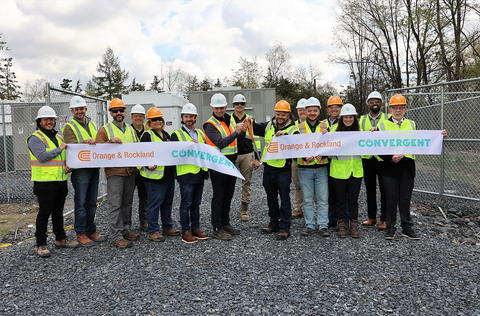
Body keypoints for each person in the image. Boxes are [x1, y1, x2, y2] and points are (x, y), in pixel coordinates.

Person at [377, 94, 447, 240]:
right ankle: (390, 228)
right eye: (395, 108)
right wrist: (390, 158)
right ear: (390, 110)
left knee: (405, 198)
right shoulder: (381, 125)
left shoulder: (412, 124)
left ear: (405, 109)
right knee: (390, 199)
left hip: (407, 166)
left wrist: (438, 136)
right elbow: (377, 148)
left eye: (401, 107)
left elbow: (423, 140)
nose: (398, 110)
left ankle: (406, 228)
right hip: (390, 167)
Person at [27, 106, 79, 257]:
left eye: (51, 119)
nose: (49, 122)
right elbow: (42, 157)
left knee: (58, 212)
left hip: (60, 181)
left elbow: (59, 158)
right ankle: (41, 244)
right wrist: (61, 148)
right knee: (44, 213)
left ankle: (61, 239)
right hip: (44, 183)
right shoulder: (35, 138)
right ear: (40, 122)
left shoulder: (57, 137)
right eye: (46, 119)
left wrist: (66, 167)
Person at [248, 100, 299, 240]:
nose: (280, 116)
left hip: (283, 169)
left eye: (283, 114)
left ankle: (284, 227)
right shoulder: (269, 125)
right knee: (271, 198)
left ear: (289, 115)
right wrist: (251, 121)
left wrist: (286, 138)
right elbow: (255, 129)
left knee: (284, 199)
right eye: (278, 113)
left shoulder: (294, 129)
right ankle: (273, 223)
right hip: (269, 169)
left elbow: (297, 144)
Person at [95, 98, 139, 248]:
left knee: (127, 203)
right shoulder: (104, 130)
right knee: (115, 205)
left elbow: (138, 150)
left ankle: (125, 230)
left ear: (125, 112)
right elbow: (97, 152)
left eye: (121, 110)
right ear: (111, 113)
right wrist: (109, 143)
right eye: (115, 111)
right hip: (115, 173)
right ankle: (115, 237)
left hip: (130, 171)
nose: (118, 113)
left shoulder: (131, 129)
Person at [63, 96, 105, 247]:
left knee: (92, 201)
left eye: (82, 109)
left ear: (86, 109)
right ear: (72, 110)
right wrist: (84, 143)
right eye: (77, 109)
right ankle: (81, 232)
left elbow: (98, 143)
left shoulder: (92, 124)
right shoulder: (69, 126)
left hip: (93, 167)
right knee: (81, 202)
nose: (80, 111)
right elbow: (70, 146)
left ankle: (91, 230)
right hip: (81, 170)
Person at [203, 93, 246, 240]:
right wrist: (237, 132)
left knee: (228, 195)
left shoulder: (230, 119)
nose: (219, 110)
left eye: (221, 108)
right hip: (218, 165)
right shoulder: (210, 124)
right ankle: (217, 227)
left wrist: (242, 132)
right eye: (216, 108)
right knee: (219, 196)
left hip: (230, 164)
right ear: (212, 108)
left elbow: (236, 140)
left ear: (226, 107)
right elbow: (220, 143)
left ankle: (225, 223)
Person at [138, 107, 179, 242]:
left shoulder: (166, 135)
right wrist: (146, 164)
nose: (157, 122)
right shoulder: (147, 135)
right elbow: (141, 154)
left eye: (159, 119)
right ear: (149, 122)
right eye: (154, 119)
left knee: (167, 203)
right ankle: (153, 230)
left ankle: (167, 226)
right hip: (154, 177)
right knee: (154, 204)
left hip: (167, 175)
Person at [171, 103, 209, 243]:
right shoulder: (176, 135)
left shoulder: (200, 133)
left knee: (196, 203)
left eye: (192, 116)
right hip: (185, 174)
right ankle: (185, 231)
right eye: (186, 116)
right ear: (182, 117)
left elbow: (205, 152)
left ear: (195, 117)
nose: (189, 119)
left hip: (199, 173)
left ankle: (196, 228)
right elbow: (174, 155)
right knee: (186, 204)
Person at [328, 103, 363, 238]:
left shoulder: (360, 134)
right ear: (341, 119)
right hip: (339, 171)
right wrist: (325, 137)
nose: (348, 119)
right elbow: (327, 151)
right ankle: (341, 224)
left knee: (353, 200)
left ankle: (353, 225)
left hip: (356, 171)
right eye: (345, 117)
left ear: (354, 118)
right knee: (340, 200)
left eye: (351, 117)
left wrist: (373, 136)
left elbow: (366, 154)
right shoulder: (333, 133)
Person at [297, 97, 330, 237]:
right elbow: (293, 147)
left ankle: (323, 225)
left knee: (323, 198)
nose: (312, 113)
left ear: (319, 111)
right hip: (305, 167)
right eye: (309, 110)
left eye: (314, 111)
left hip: (322, 167)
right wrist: (305, 157)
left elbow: (331, 146)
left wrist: (324, 155)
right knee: (308, 199)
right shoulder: (298, 127)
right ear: (305, 111)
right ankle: (310, 225)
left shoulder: (325, 126)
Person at [359, 91, 388, 230]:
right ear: (368, 104)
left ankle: (384, 219)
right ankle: (372, 217)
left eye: (377, 101)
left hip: (383, 159)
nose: (374, 103)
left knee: (384, 190)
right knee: (370, 189)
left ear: (381, 103)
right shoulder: (362, 120)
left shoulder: (388, 118)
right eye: (371, 101)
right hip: (367, 159)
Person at [230, 94, 261, 221]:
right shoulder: (228, 120)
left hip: (247, 154)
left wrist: (257, 157)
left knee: (246, 183)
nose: (239, 106)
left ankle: (244, 208)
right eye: (237, 104)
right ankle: (225, 210)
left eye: (241, 104)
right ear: (233, 106)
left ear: (245, 106)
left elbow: (256, 138)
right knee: (228, 184)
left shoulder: (250, 120)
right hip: (232, 154)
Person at [325, 95, 350, 229]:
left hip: (341, 164)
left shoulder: (346, 122)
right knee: (330, 193)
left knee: (343, 194)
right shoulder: (323, 123)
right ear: (327, 109)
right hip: (326, 162)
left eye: (337, 107)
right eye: (331, 107)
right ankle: (332, 219)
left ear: (341, 108)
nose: (334, 109)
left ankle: (344, 220)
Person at [129, 104, 148, 232]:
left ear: (144, 118)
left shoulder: (148, 132)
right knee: (128, 198)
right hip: (131, 170)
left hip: (144, 170)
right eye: (136, 116)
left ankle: (144, 221)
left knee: (145, 197)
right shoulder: (127, 131)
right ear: (131, 117)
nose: (138, 118)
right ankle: (127, 224)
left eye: (141, 116)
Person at [292, 98, 307, 219]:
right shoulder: (293, 125)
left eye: (304, 109)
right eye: (300, 110)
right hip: (296, 160)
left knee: (314, 187)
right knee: (298, 185)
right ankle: (298, 209)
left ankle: (316, 208)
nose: (302, 112)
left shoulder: (316, 125)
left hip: (313, 161)